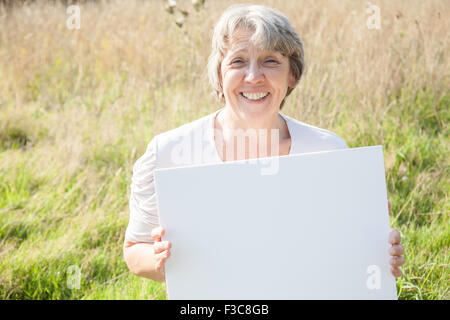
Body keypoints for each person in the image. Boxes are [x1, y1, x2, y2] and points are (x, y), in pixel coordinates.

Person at [123, 4, 405, 284]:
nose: (254, 76)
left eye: (270, 61)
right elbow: (135, 251)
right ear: (220, 74)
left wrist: (379, 250)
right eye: (238, 61)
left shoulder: (328, 151)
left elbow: (351, 251)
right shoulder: (170, 151)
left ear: (291, 74)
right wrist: (160, 259)